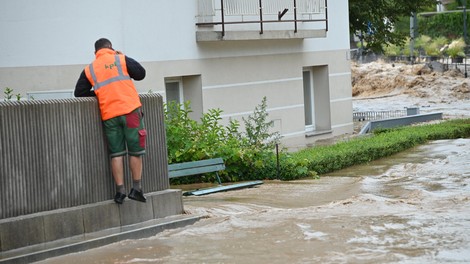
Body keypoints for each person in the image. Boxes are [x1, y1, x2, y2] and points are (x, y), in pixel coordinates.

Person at [75, 38, 147, 204]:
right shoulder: (120, 59)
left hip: (109, 115)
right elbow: (141, 74)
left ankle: (120, 191)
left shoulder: (90, 69)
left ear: (96, 53)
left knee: (116, 153)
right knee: (135, 150)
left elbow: (79, 92)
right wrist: (123, 56)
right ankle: (136, 189)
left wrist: (101, 93)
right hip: (130, 111)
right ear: (111, 48)